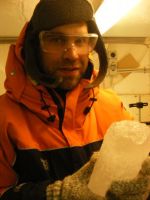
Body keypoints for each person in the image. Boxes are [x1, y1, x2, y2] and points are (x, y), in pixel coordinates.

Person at [0, 0, 150, 199]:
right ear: (34, 45)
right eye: (56, 40)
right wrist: (58, 194)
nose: (72, 54)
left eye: (80, 41)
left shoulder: (111, 106)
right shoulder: (4, 117)